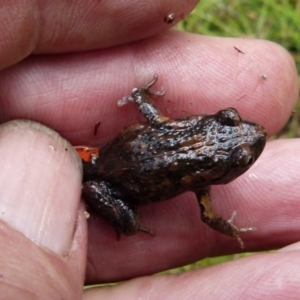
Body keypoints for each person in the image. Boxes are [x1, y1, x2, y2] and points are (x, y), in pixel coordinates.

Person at [0, 1, 299, 298]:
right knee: (127, 224)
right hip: (109, 179)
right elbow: (208, 218)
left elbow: (149, 111)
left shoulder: (171, 127)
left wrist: (140, 94)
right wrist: (229, 228)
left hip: (103, 155)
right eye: (229, 118)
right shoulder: (198, 174)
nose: (254, 130)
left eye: (242, 157)